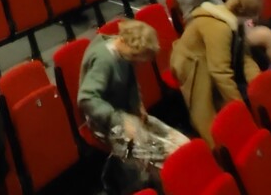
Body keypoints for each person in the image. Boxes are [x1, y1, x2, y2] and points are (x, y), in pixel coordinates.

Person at [78, 20, 189, 168]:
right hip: (106, 121)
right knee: (166, 157)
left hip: (126, 113)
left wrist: (137, 104)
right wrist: (119, 120)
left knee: (182, 144)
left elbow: (131, 81)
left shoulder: (124, 52)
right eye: (135, 58)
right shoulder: (104, 61)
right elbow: (87, 98)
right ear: (125, 43)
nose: (137, 63)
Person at [170, 0, 263, 145]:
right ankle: (218, 150)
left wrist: (258, 82)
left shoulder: (233, 21)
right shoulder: (220, 27)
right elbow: (220, 72)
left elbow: (244, 56)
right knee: (205, 114)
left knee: (225, 100)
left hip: (207, 59)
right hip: (192, 64)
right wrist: (238, 104)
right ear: (248, 14)